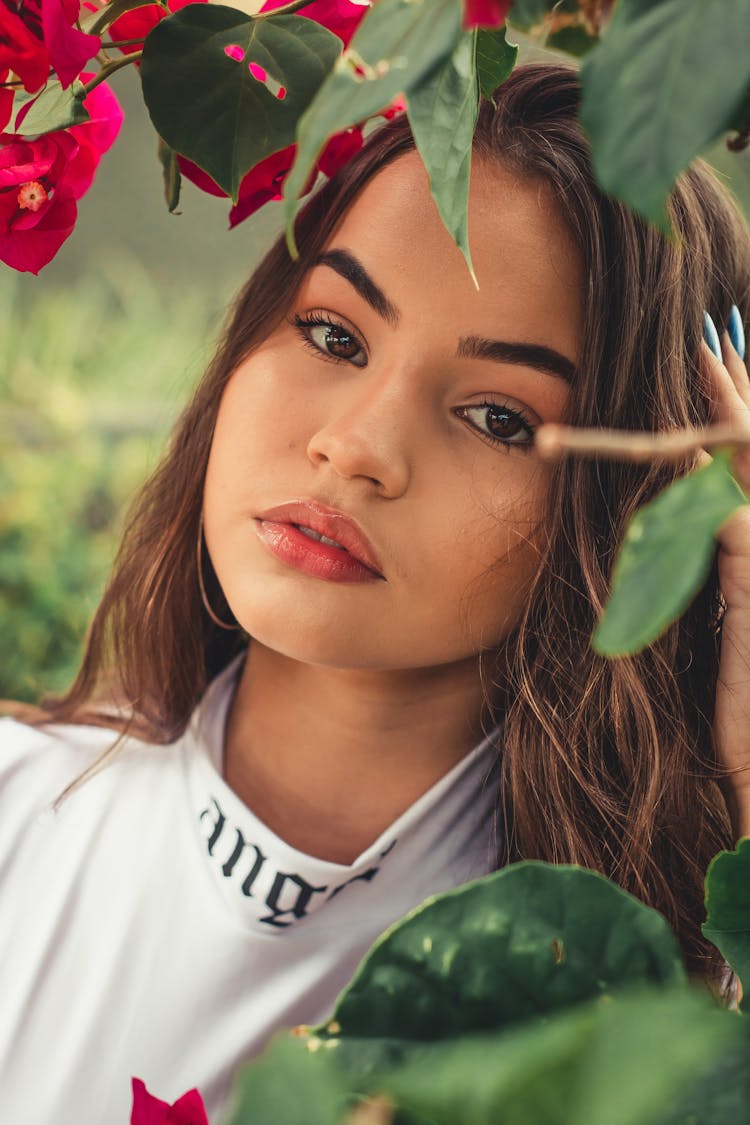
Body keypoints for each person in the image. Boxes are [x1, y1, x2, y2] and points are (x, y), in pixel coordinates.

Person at [2, 62, 750, 1123]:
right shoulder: (18, 815)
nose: (354, 449)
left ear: (630, 509)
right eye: (334, 334)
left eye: (500, 417)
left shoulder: (651, 1018)